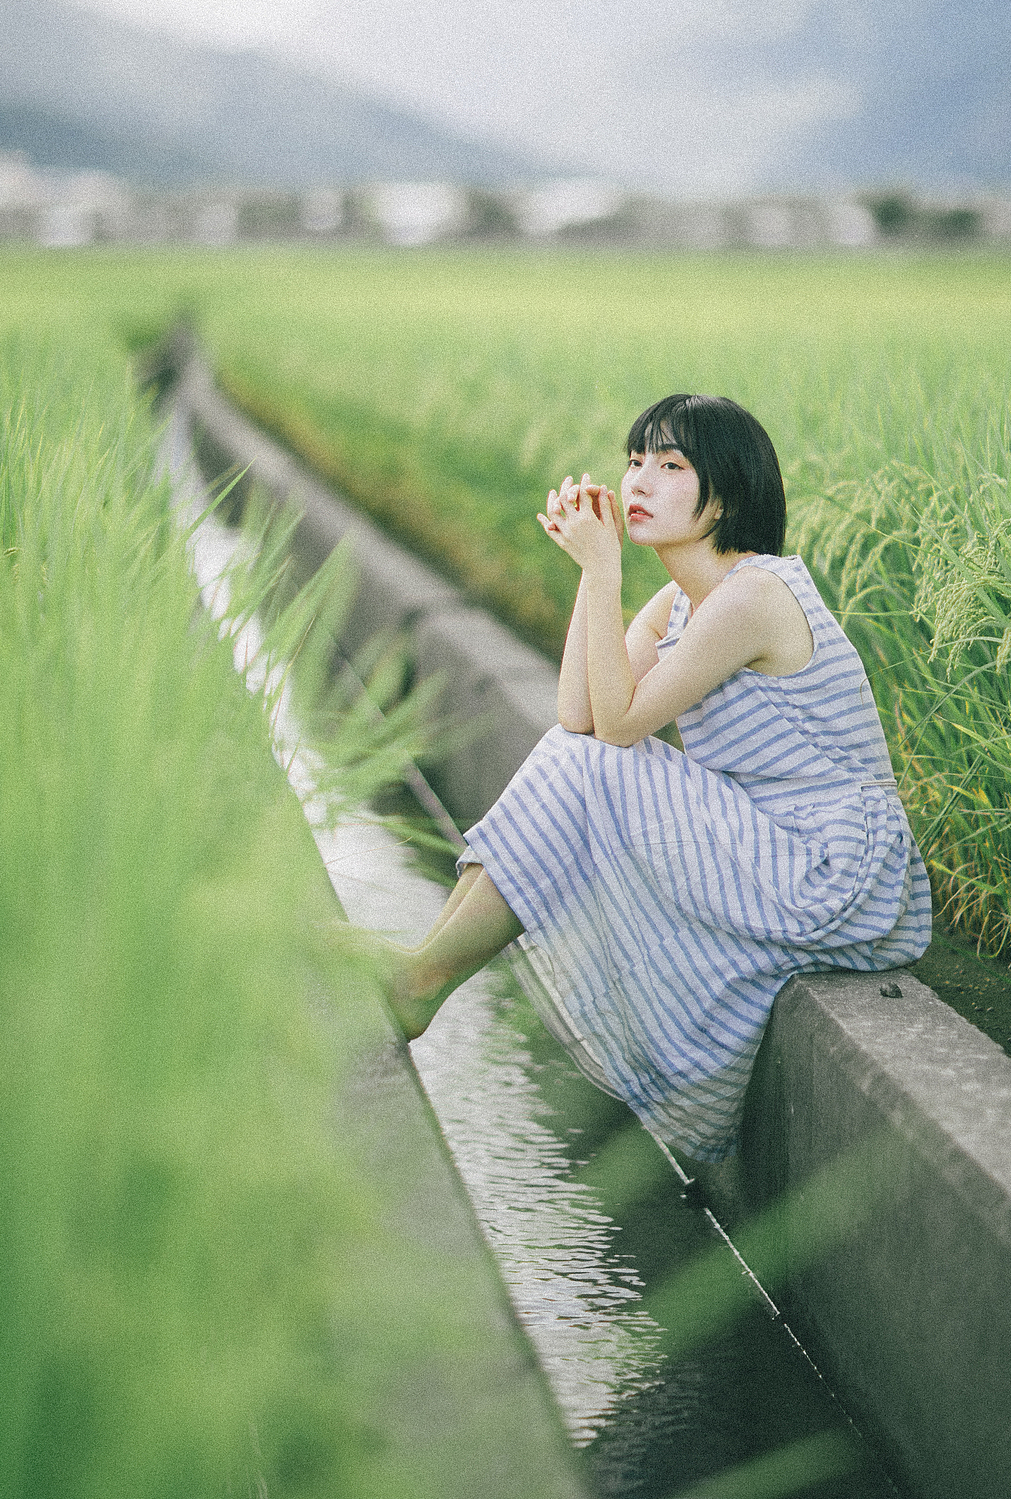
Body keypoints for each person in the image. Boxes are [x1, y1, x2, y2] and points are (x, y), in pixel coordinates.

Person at [365, 394, 931, 1163]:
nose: (640, 481)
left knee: (595, 765)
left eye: (671, 467)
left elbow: (621, 728)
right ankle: (422, 971)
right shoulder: (680, 600)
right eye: (635, 461)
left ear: (725, 498)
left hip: (834, 868)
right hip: (767, 837)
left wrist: (602, 570)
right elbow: (578, 715)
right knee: (578, 758)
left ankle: (422, 977)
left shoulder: (753, 597)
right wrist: (591, 576)